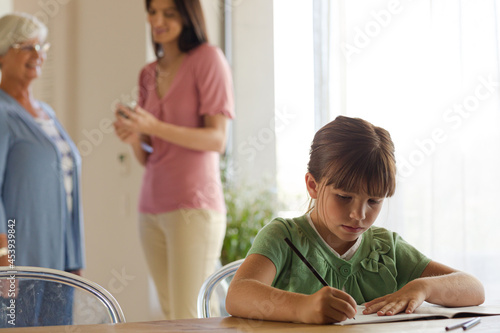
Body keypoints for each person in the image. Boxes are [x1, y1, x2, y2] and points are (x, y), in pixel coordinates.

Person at [225, 116, 485, 324]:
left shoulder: (387, 248)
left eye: (374, 201)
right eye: (344, 197)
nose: (359, 215)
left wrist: (423, 287)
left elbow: (473, 289)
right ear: (313, 185)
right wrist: (303, 307)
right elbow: (238, 295)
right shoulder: (284, 237)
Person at [113, 0, 234, 319]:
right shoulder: (148, 74)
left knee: (189, 315)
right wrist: (134, 136)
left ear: (187, 15)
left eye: (169, 13)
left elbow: (217, 139)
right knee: (171, 315)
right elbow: (149, 155)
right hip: (150, 207)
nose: (158, 20)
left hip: (193, 207)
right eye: (153, 12)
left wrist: (153, 126)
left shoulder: (208, 59)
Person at [0, 13, 84, 326]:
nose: (39, 55)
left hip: (59, 261)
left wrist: (75, 258)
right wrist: (4, 261)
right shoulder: (2, 113)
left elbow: (68, 188)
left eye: (41, 46)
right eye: (27, 47)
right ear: (2, 53)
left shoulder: (47, 113)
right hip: (19, 263)